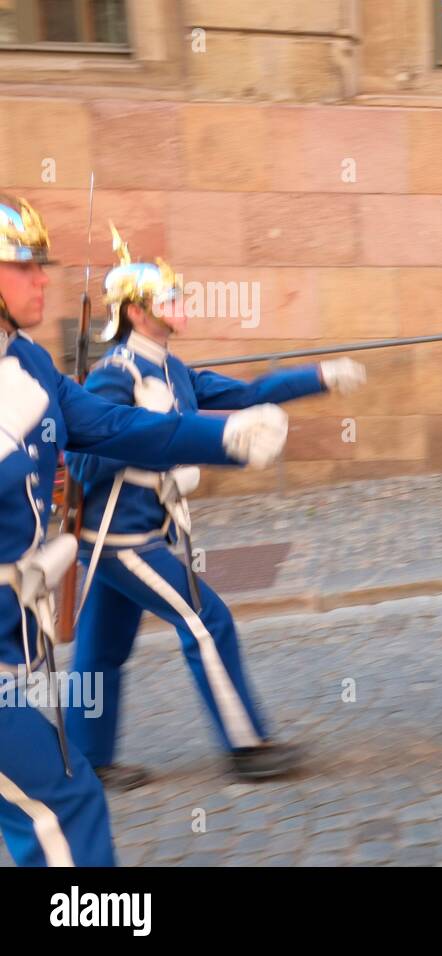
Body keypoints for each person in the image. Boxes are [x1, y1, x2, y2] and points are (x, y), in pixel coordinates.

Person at [0, 195, 287, 865]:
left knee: (63, 791)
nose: (43, 277)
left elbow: (112, 429)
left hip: (20, 636)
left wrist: (225, 439)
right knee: (60, 810)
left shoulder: (33, 365)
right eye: (24, 266)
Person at [64, 225, 366, 789]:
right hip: (120, 539)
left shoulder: (174, 370)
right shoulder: (112, 375)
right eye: (167, 299)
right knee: (206, 619)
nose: (179, 305)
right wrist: (145, 430)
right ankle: (246, 745)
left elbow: (248, 394)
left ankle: (89, 760)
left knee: (102, 651)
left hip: (144, 531)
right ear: (135, 312)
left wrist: (320, 376)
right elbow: (84, 463)